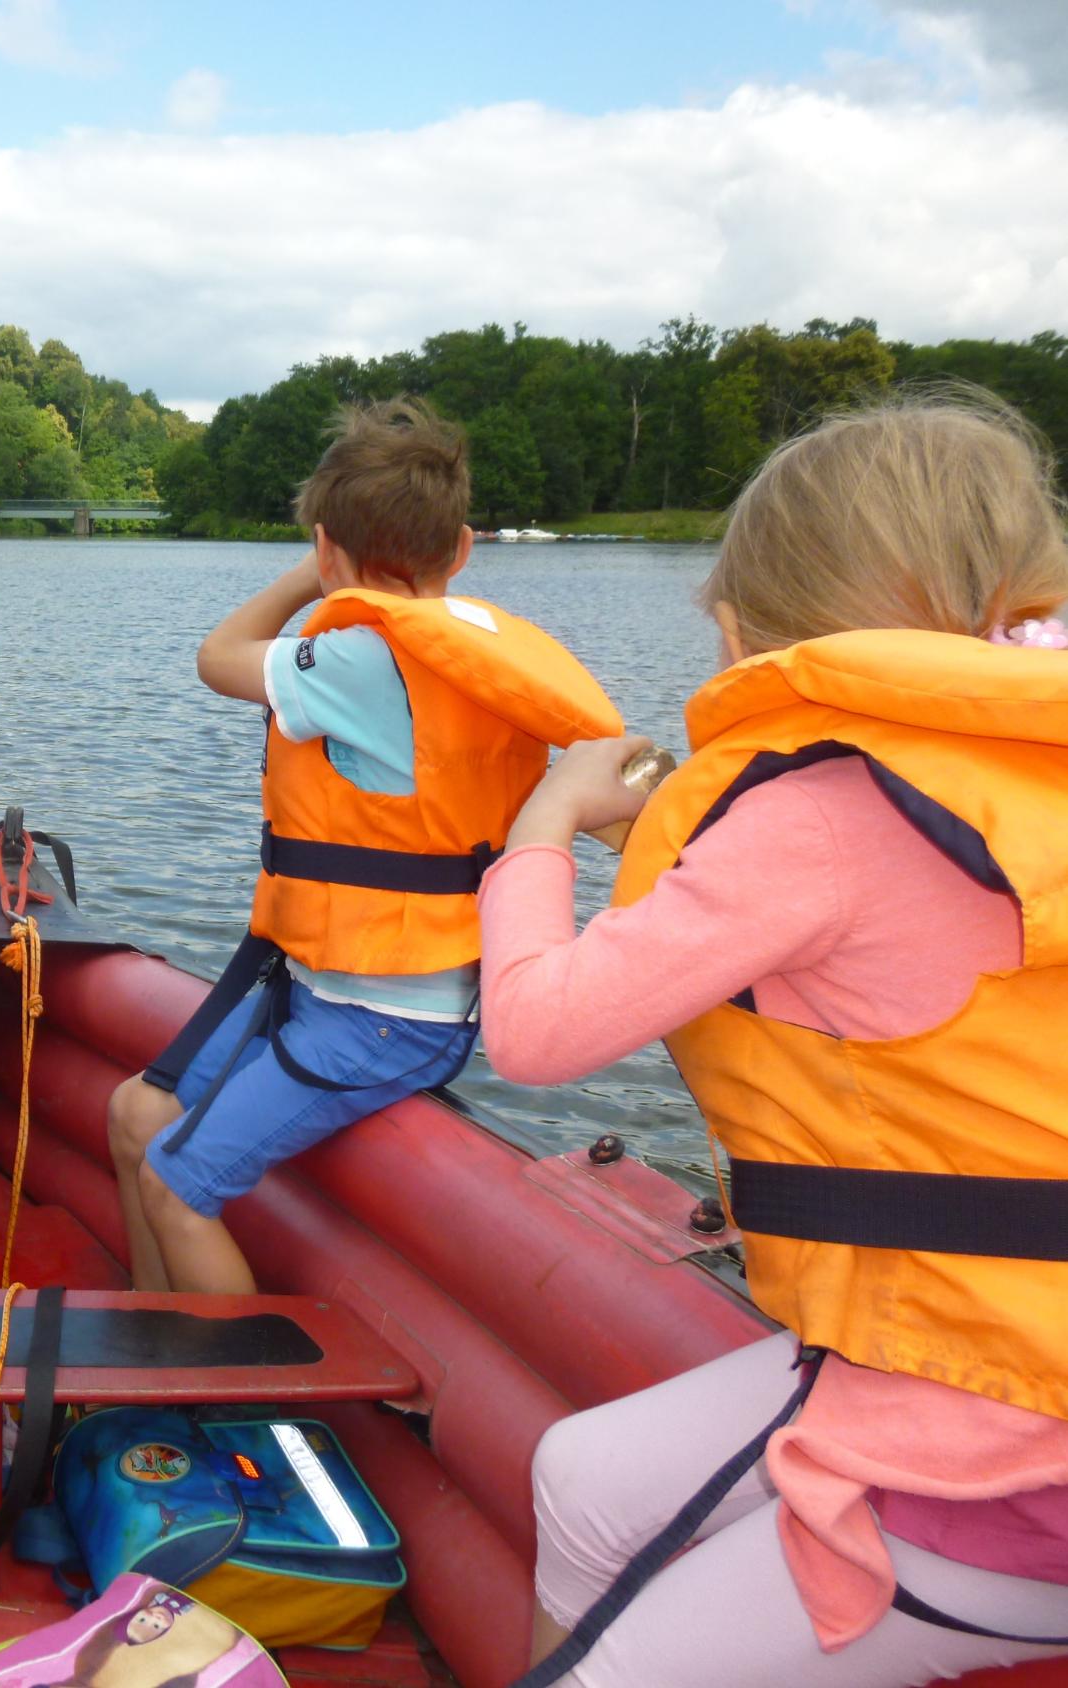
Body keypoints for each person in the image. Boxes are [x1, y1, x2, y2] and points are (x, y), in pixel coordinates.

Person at [478, 393, 1068, 1686]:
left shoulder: (812, 809)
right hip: (1009, 1354)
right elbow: (884, 945)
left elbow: (530, 1031)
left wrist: (536, 830)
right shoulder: (1024, 770)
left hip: (1003, 1455)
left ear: (749, 624)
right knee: (579, 1474)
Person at [105, 400, 620, 1294]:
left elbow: (218, 654)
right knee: (134, 1113)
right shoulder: (492, 656)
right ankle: (153, 1333)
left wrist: (313, 579)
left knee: (175, 1184)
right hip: (339, 982)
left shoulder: (352, 660)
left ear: (326, 548)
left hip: (385, 1018)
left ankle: (230, 1396)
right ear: (461, 550)